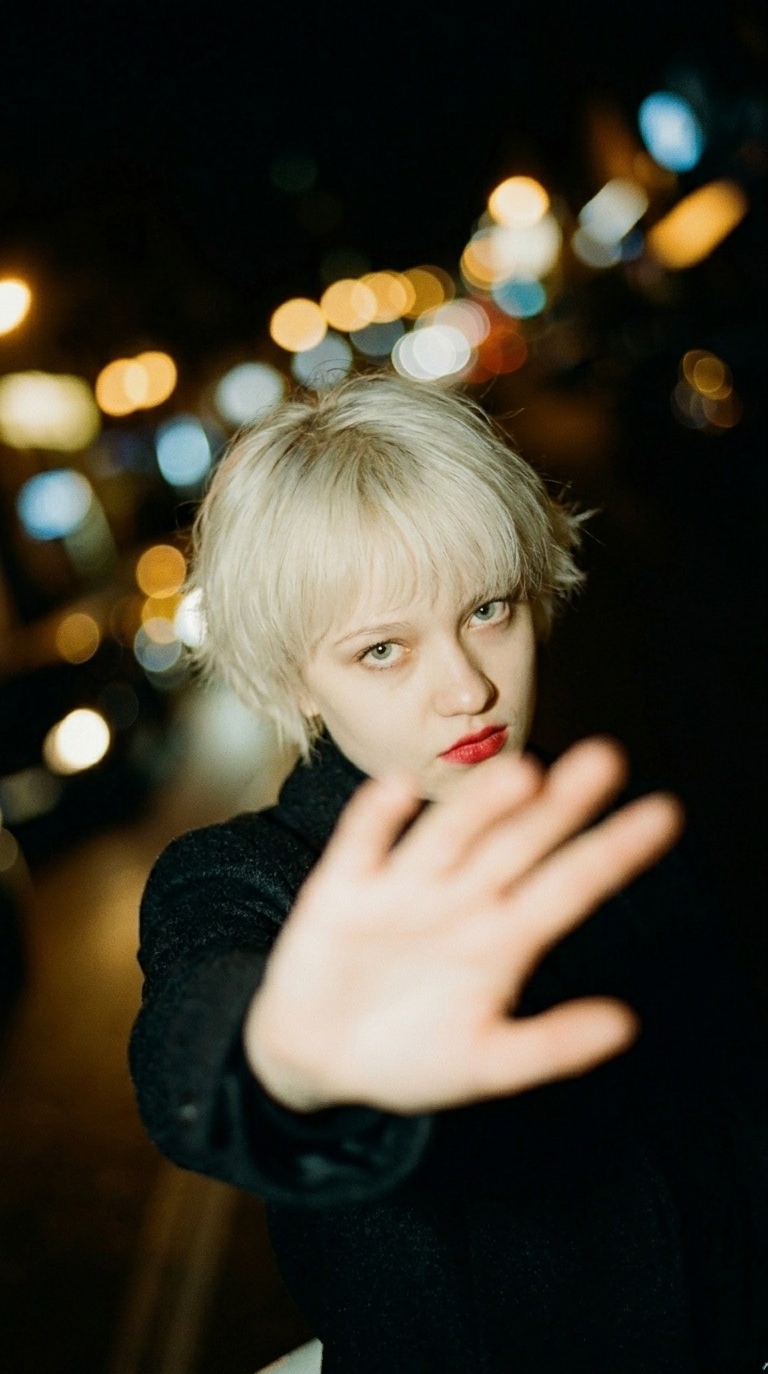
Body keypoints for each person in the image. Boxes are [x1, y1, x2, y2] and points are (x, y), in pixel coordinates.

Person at [130, 374, 766, 1373]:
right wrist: (292, 1061)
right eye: (381, 648)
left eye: (487, 607)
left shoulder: (612, 824)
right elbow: (192, 1039)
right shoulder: (250, 874)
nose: (467, 686)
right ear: (299, 675)